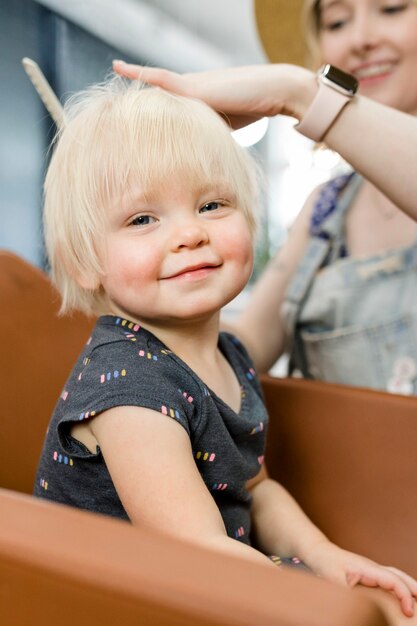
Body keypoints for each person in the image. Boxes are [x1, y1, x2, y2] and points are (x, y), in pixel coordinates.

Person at [33, 75, 417, 625]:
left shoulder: (229, 356)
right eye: (143, 219)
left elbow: (255, 488)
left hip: (214, 581)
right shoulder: (130, 394)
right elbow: (198, 553)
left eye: (212, 204)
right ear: (83, 263)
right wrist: (335, 605)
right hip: (125, 603)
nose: (190, 233)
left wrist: (325, 557)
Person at [113, 0, 417, 395]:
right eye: (338, 21)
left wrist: (297, 93)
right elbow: (250, 344)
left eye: (392, 8)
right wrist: (150, 323)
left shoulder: (302, 97)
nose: (361, 39)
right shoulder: (325, 209)